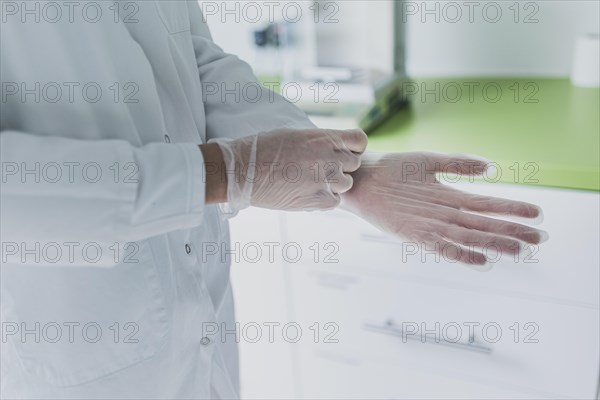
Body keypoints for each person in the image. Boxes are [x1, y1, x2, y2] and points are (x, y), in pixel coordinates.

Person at [0, 1, 547, 398]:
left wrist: (345, 174)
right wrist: (225, 173)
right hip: (72, 356)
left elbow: (196, 62)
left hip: (200, 338)